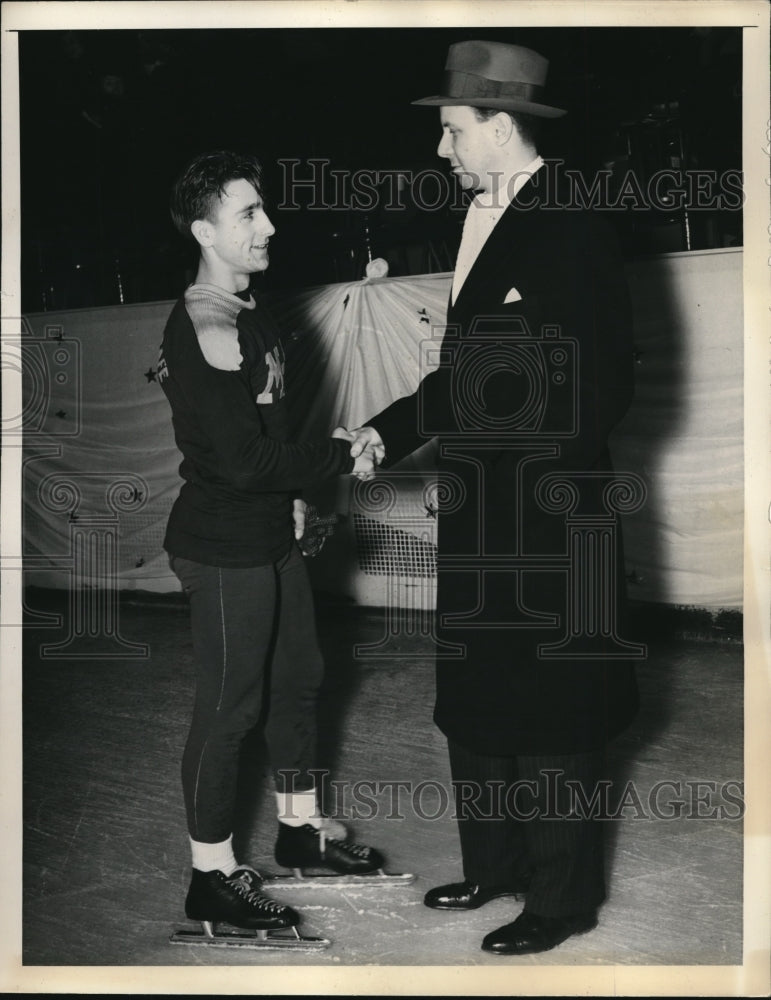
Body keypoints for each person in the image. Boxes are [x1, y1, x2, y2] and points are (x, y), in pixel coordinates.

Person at [345, 41, 640, 955]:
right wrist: (389, 431)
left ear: (500, 127)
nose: (441, 149)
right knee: (475, 689)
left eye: (452, 129)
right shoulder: (483, 218)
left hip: (550, 509)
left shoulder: (573, 218)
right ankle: (496, 863)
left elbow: (602, 383)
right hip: (481, 499)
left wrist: (517, 464)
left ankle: (560, 899)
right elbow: (467, 371)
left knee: (553, 704)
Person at [158, 150, 385, 943]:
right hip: (223, 547)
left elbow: (267, 433)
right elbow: (241, 459)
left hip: (268, 532)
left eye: (264, 208)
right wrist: (336, 454)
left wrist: (296, 497)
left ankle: (297, 829)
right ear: (204, 231)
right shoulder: (208, 321)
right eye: (248, 214)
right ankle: (210, 877)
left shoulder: (250, 310)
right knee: (231, 707)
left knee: (299, 679)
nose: (269, 224)